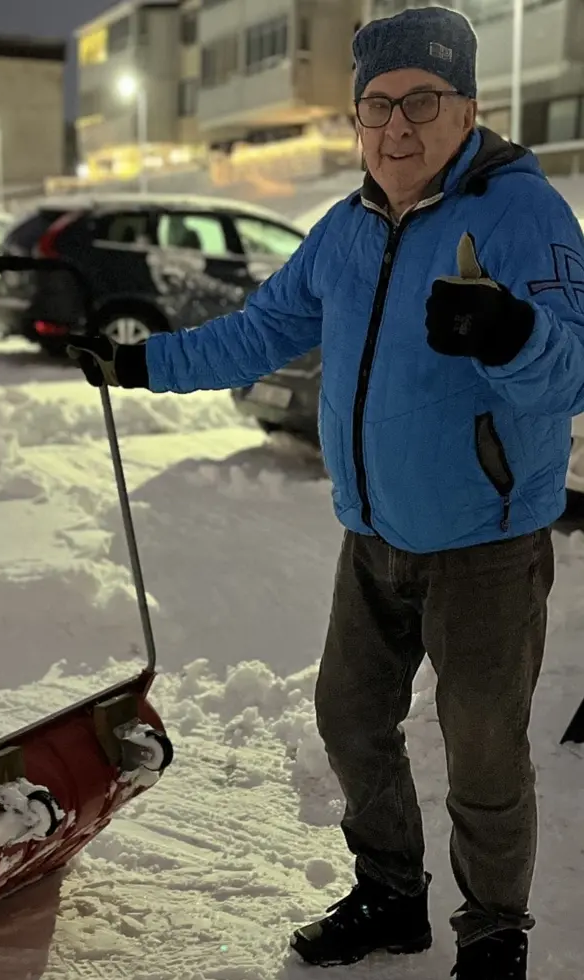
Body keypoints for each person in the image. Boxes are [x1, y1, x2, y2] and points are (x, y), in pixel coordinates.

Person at [65, 7, 584, 978]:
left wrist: (510, 334)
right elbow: (259, 331)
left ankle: (493, 931)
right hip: (372, 536)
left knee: (483, 750)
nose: (396, 127)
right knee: (349, 719)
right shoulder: (346, 229)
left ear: (468, 108)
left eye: (421, 101)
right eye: (376, 106)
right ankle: (390, 893)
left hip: (486, 541)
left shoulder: (523, 213)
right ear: (355, 119)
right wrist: (142, 363)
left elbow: (576, 373)